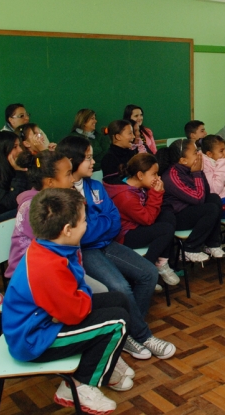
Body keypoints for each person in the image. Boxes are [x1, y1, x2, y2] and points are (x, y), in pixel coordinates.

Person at [2, 188, 132, 414]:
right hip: (33, 340)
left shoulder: (53, 246)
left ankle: (104, 362)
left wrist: (77, 291)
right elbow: (76, 311)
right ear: (67, 230)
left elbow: (76, 292)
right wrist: (78, 290)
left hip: (47, 321)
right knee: (117, 322)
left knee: (118, 299)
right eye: (84, 221)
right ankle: (78, 387)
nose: (87, 225)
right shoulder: (48, 266)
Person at [58, 135, 175, 361]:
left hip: (107, 243)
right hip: (86, 251)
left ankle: (128, 330)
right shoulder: (65, 192)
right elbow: (79, 237)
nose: (94, 162)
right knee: (119, 287)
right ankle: (143, 335)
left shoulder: (94, 185)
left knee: (149, 273)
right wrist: (97, 227)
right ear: (71, 161)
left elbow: (114, 222)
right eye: (88, 158)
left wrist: (95, 227)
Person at [4, 150, 108, 294]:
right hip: (31, 280)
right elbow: (54, 251)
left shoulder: (58, 202)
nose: (72, 179)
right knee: (99, 295)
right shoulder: (37, 208)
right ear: (50, 182)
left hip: (57, 270)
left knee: (102, 292)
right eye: (68, 174)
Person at [104, 153, 181, 286]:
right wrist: (156, 194)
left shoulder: (138, 185)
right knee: (165, 229)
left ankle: (161, 262)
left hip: (138, 223)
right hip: (125, 235)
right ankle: (146, 270)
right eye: (154, 174)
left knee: (167, 214)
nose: (158, 178)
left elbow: (148, 213)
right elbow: (148, 220)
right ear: (140, 175)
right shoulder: (126, 197)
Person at [158, 139, 224, 262]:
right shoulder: (172, 176)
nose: (199, 154)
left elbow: (206, 192)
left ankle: (212, 244)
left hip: (189, 207)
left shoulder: (189, 169)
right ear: (183, 160)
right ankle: (190, 248)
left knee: (214, 198)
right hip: (177, 216)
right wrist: (197, 172)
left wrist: (200, 171)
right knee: (210, 209)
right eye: (195, 152)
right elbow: (198, 199)